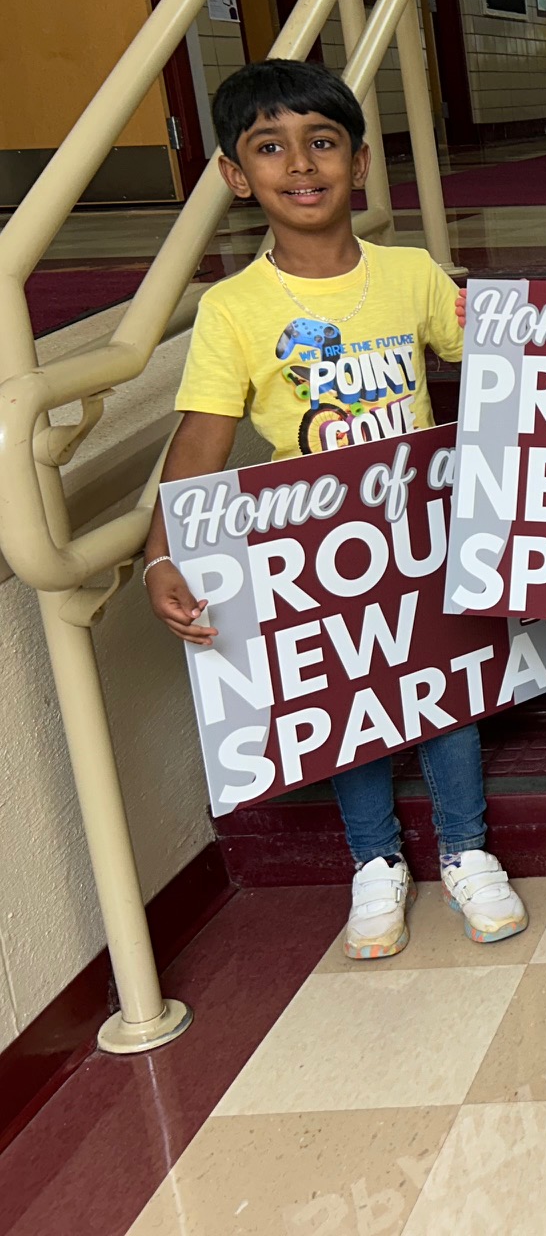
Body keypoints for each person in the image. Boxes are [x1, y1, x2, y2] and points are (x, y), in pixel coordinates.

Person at [144, 59, 526, 961]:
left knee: (446, 691)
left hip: (424, 529)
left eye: (322, 143)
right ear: (240, 178)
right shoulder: (232, 309)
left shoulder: (409, 273)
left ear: (359, 163)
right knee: (348, 699)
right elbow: (199, 444)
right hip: (313, 549)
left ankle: (467, 849)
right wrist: (163, 557)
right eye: (270, 148)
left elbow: (502, 360)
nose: (301, 164)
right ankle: (375, 863)